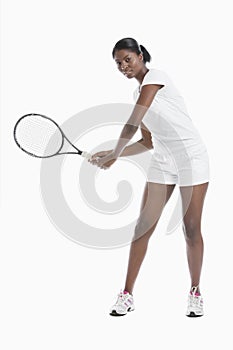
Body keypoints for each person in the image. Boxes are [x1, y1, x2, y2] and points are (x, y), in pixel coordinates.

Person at [89, 38, 210, 317]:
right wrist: (113, 152)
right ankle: (127, 294)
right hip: (163, 161)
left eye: (127, 59)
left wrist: (115, 155)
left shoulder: (156, 78)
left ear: (140, 55)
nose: (123, 66)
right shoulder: (137, 94)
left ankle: (195, 291)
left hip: (192, 158)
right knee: (143, 226)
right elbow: (147, 141)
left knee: (191, 228)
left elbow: (132, 122)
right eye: (118, 63)